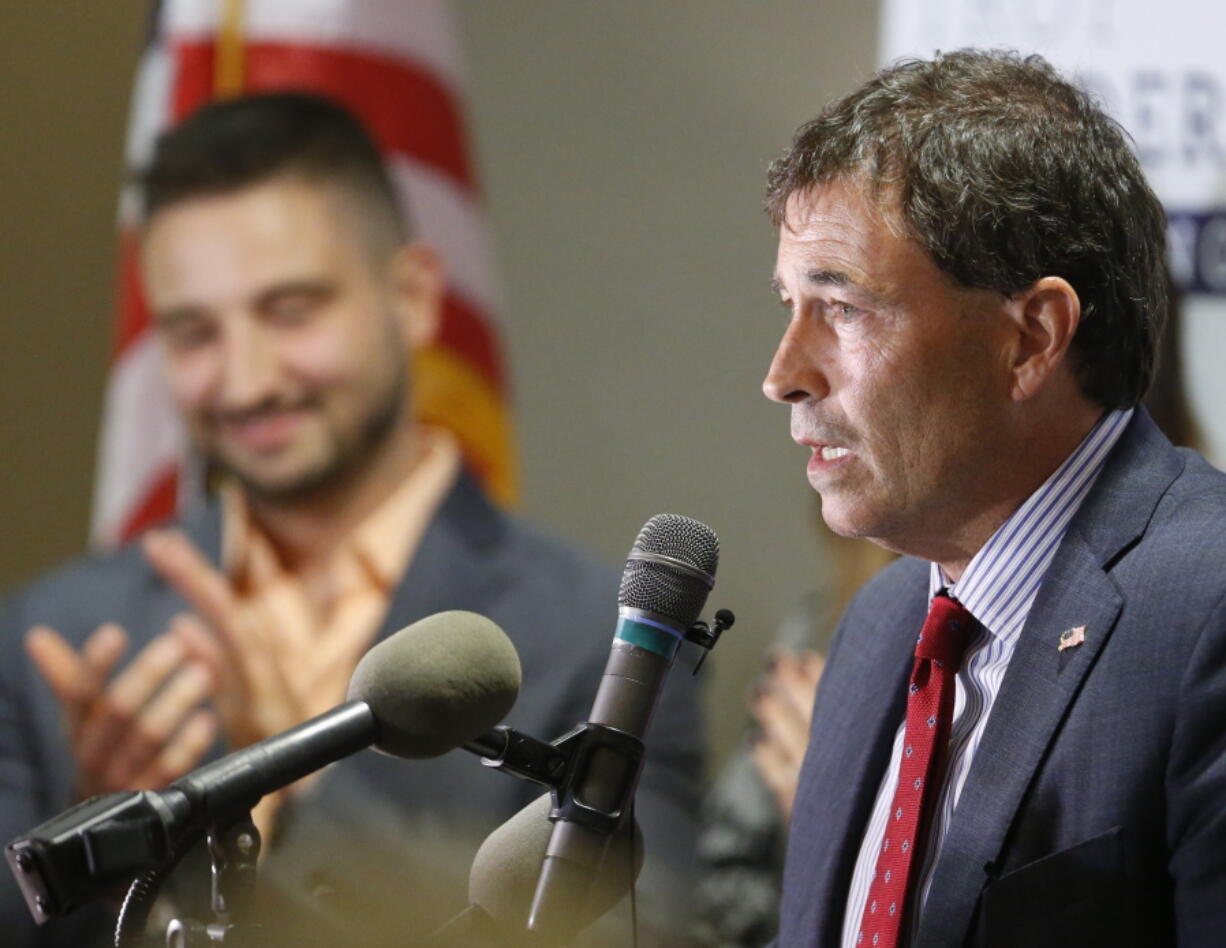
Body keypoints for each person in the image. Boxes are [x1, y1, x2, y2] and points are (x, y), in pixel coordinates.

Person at [0, 92, 702, 947]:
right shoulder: (57, 637)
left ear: (411, 296)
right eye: (192, 333)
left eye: (290, 311)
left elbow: (638, 931)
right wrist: (113, 847)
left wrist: (278, 787)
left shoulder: (604, 637)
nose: (248, 379)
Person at [761, 50, 1226, 947]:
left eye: (844, 307)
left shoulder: (1207, 609)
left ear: (1031, 339)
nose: (783, 375)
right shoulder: (878, 630)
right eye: (788, 304)